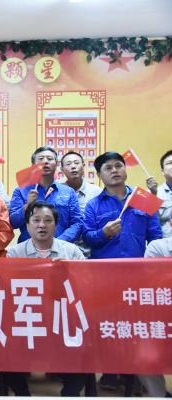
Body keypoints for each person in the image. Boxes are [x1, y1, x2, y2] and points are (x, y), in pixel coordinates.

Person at [83, 152, 162, 390]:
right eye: (108, 168)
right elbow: (88, 238)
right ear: (100, 175)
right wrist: (104, 233)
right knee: (108, 324)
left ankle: (139, 376)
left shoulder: (143, 198)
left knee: (138, 327)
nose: (115, 170)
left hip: (138, 276)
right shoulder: (93, 205)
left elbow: (156, 237)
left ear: (125, 170)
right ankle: (110, 371)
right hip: (105, 278)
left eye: (118, 166)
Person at [7, 202, 87, 396]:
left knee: (84, 351)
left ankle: (69, 394)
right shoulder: (15, 253)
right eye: (36, 220)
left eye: (48, 220)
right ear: (27, 225)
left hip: (63, 318)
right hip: (28, 319)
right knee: (4, 350)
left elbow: (87, 284)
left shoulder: (72, 252)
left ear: (56, 225)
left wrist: (70, 271)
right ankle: (22, 394)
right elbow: (8, 289)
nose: (42, 225)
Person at [10, 146, 82, 244]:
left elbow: (77, 223)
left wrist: (58, 243)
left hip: (61, 248)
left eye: (49, 158)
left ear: (56, 164)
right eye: (41, 159)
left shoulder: (68, 192)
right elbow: (13, 223)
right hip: (28, 249)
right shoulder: (20, 191)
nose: (45, 162)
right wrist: (27, 206)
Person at [137, 236, 172, 397]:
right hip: (162, 321)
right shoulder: (158, 247)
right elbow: (154, 283)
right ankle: (159, 396)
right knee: (144, 358)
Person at [60, 151, 102, 256]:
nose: (73, 166)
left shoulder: (96, 192)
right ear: (62, 169)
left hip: (91, 251)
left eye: (76, 163)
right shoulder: (57, 192)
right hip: (63, 250)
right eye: (68, 164)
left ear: (83, 166)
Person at [147, 150, 172, 238]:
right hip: (164, 243)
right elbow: (149, 223)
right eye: (170, 163)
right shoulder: (152, 193)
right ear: (162, 171)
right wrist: (153, 195)